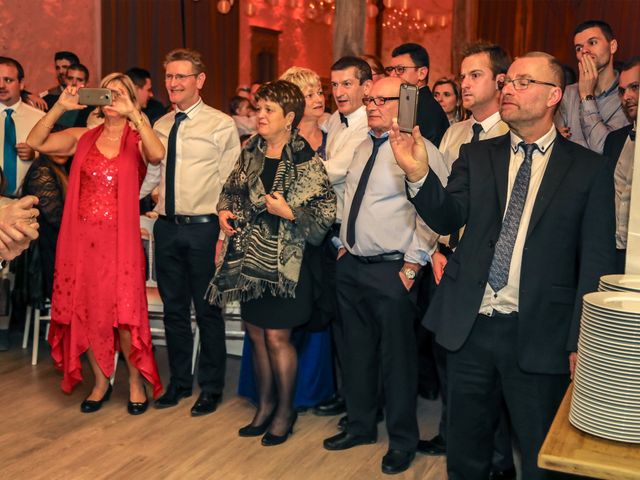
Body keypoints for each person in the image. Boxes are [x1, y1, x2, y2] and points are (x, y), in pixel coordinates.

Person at [390, 51, 616, 479]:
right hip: (470, 327)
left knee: (539, 458)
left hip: (539, 332)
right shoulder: (479, 156)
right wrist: (419, 175)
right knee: (467, 454)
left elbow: (596, 262)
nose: (507, 89)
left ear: (553, 96)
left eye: (522, 82)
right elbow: (447, 218)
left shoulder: (588, 169)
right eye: (507, 81)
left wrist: (580, 341)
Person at [322, 76, 447, 475]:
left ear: (405, 103)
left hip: (394, 271)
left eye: (382, 99)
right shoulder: (361, 147)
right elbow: (348, 197)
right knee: (356, 355)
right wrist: (343, 244)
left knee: (398, 363)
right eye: (369, 98)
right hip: (353, 266)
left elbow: (434, 211)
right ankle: (360, 426)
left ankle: (403, 441)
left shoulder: (421, 149)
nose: (371, 104)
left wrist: (413, 265)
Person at [27, 73, 165, 415]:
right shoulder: (83, 137)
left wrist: (135, 114)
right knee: (88, 311)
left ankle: (134, 382)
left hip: (121, 242)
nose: (113, 97)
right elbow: (36, 141)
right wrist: (60, 106)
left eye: (121, 92)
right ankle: (101, 381)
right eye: (108, 91)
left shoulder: (136, 139)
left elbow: (157, 154)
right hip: (82, 241)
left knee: (124, 313)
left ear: (132, 98)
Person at [208, 80, 336, 446]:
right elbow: (231, 189)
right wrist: (223, 211)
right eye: (258, 108)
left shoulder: (306, 159)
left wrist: (289, 212)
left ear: (289, 118)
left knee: (279, 338)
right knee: (256, 334)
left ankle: (284, 412)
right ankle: (263, 407)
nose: (259, 115)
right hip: (250, 261)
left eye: (268, 111)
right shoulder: (251, 150)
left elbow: (325, 215)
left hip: (287, 266)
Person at [418, 42, 516, 480]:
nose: (464, 83)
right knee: (452, 365)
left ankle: (497, 463)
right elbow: (443, 200)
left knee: (492, 382)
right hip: (451, 265)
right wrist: (437, 248)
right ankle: (453, 436)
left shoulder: (513, 137)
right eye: (462, 75)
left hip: (493, 274)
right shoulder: (456, 133)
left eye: (474, 74)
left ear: (500, 82)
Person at [152, 48, 241, 416]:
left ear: (199, 80)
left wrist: (224, 235)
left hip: (204, 230)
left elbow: (231, 182)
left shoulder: (220, 124)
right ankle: (179, 383)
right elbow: (152, 177)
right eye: (169, 77)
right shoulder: (159, 125)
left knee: (208, 312)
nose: (173, 83)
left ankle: (212, 387)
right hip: (166, 228)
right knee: (172, 311)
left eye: (180, 77)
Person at [312, 56, 372, 419]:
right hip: (332, 233)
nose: (339, 92)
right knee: (338, 322)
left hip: (356, 237)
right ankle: (346, 394)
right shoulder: (335, 121)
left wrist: (289, 170)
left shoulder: (369, 125)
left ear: (366, 86)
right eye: (334, 85)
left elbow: (334, 170)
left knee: (357, 330)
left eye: (347, 84)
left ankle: (363, 404)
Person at [555, 20, 629, 152]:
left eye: (592, 42)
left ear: (612, 46)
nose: (585, 51)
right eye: (579, 48)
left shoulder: (627, 96)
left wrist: (586, 96)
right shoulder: (567, 93)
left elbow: (604, 149)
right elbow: (555, 144)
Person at [603, 56, 639, 273]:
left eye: (635, 87)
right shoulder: (615, 140)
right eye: (623, 90)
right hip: (614, 253)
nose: (627, 97)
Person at [386, 43, 450, 147]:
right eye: (390, 70)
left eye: (400, 69)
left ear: (422, 73)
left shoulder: (425, 108)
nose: (392, 75)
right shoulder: (411, 102)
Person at [0, 57, 45, 194]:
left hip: (29, 201)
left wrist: (35, 154)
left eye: (8, 80)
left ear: (21, 84)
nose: (1, 85)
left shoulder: (40, 119)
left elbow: (56, 158)